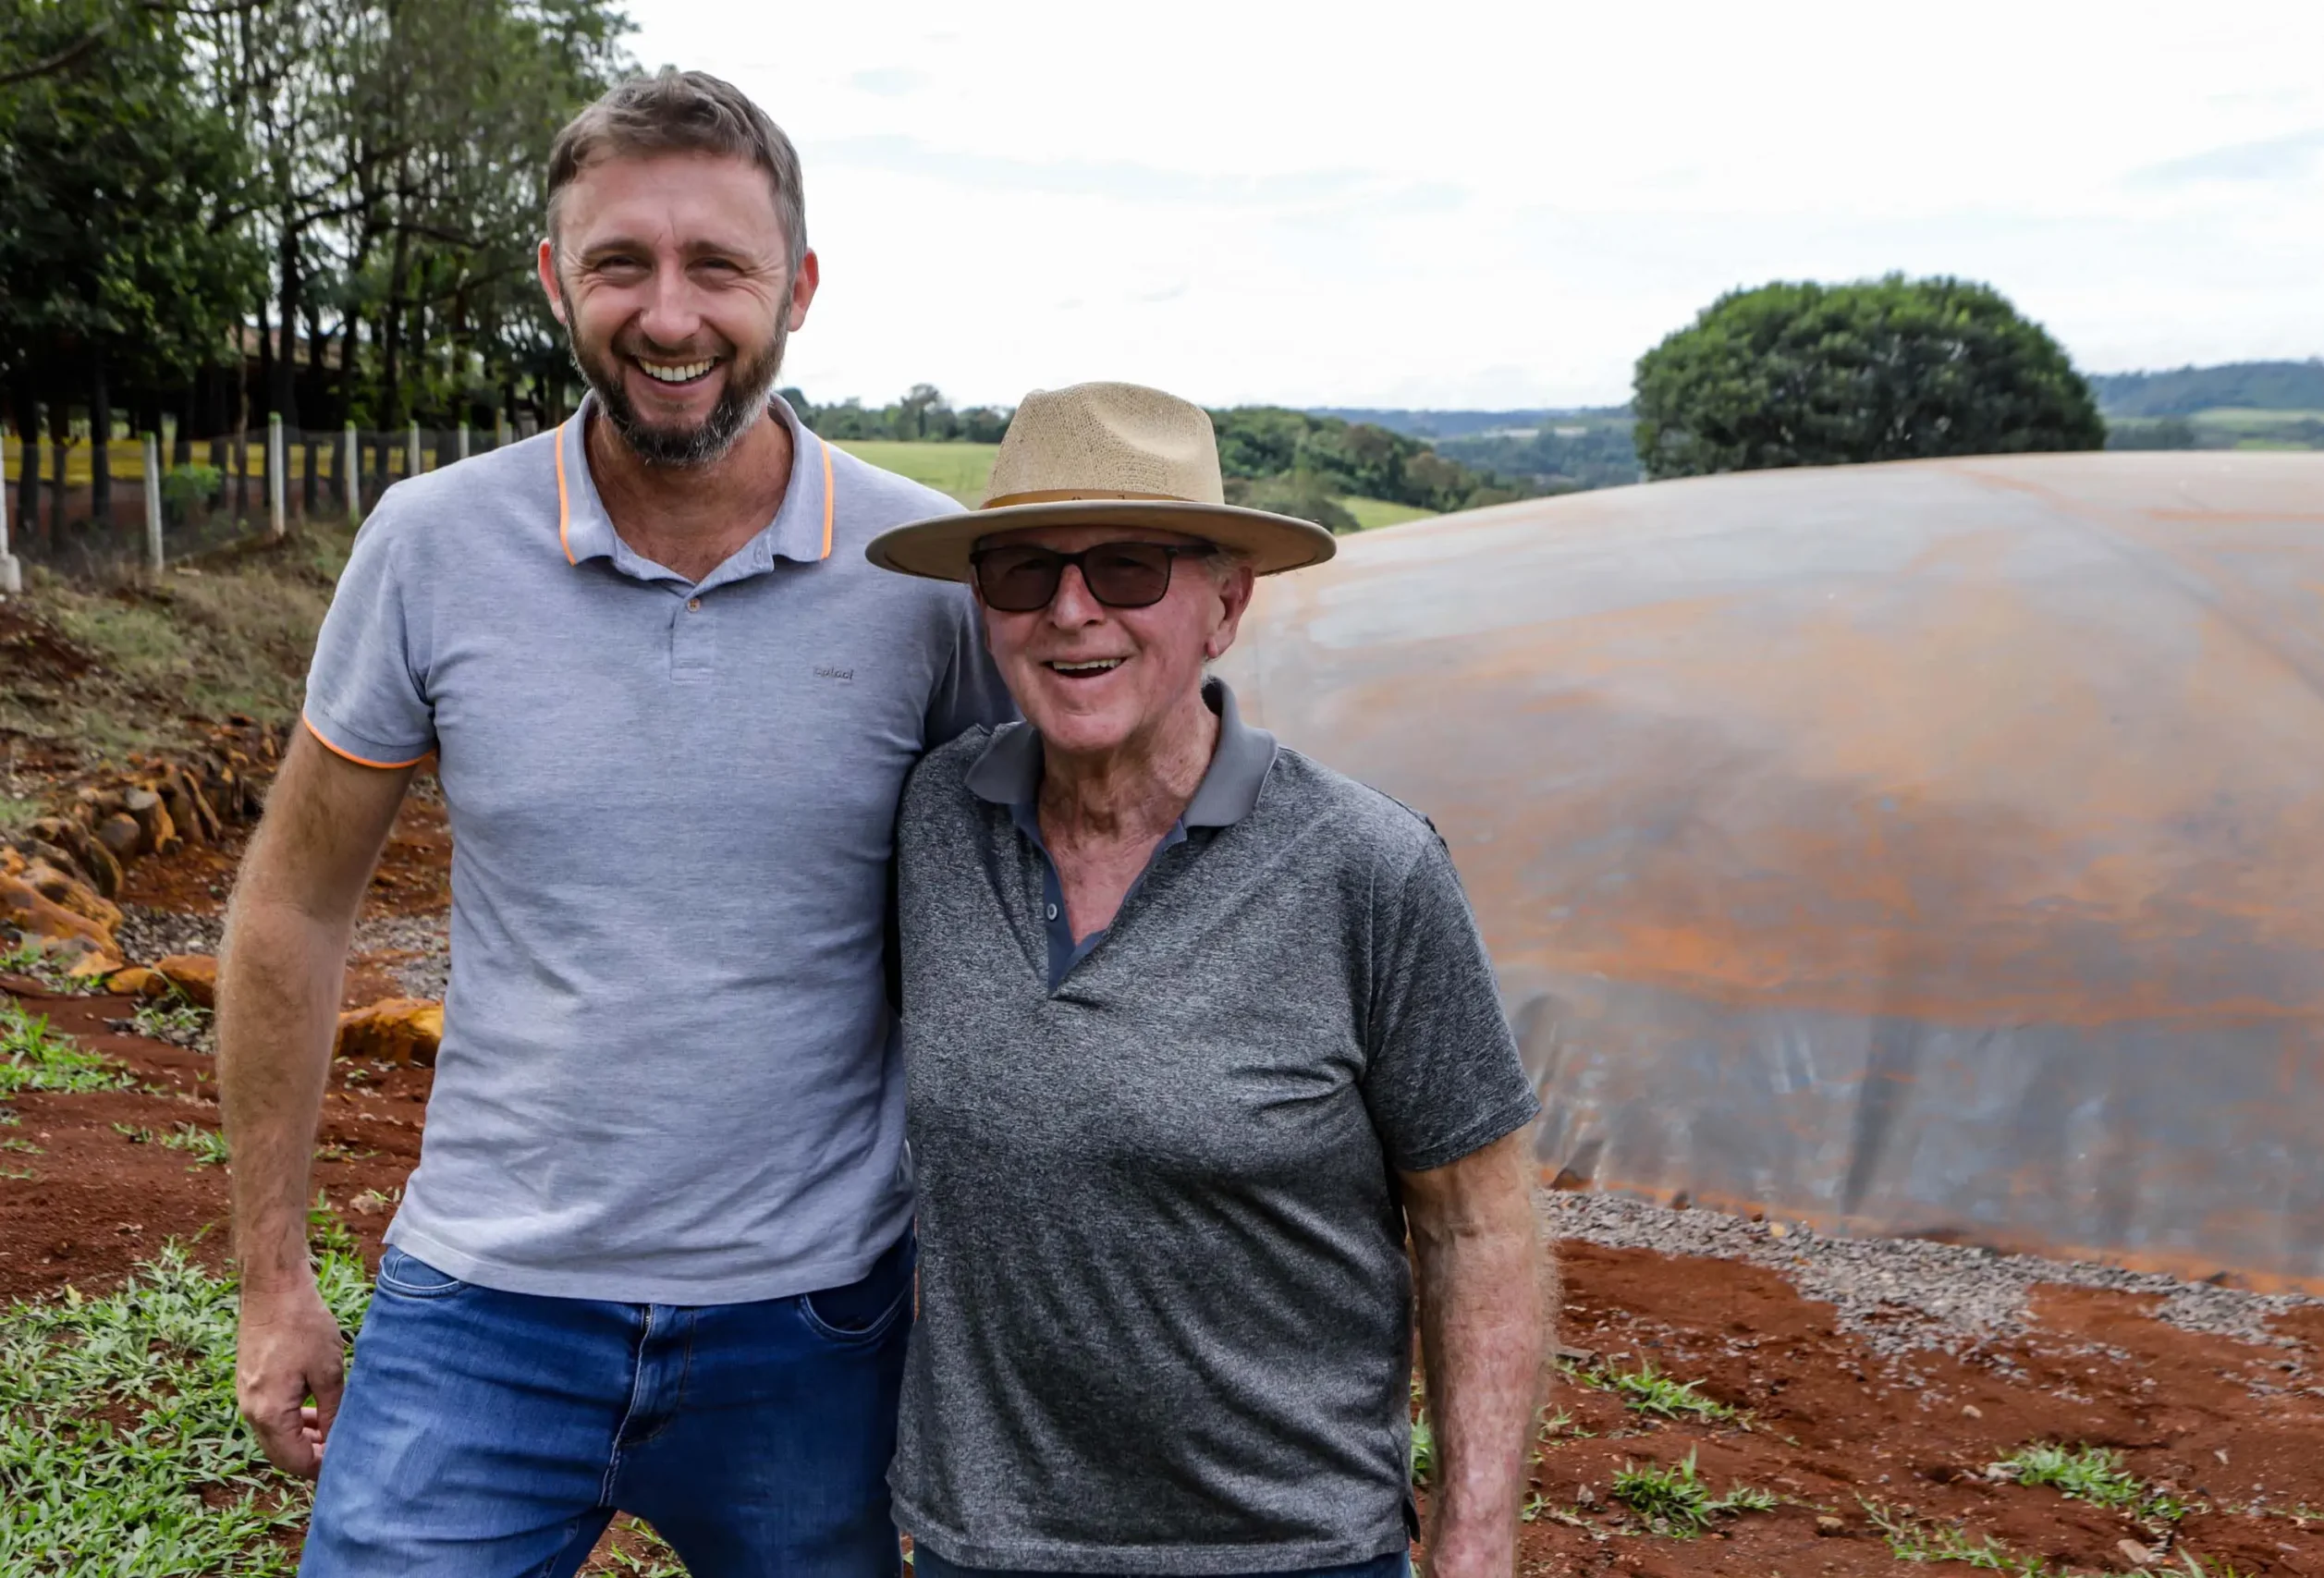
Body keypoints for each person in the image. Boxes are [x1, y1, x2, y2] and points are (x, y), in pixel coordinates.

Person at [217, 69, 1007, 1576]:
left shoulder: (927, 577)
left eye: (718, 264)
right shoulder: (433, 546)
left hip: (821, 1322)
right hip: (486, 1303)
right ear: (553, 279)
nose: (669, 315)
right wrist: (272, 1277)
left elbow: (1030, 916)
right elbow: (294, 903)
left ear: (802, 287)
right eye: (619, 264)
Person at [868, 382, 1547, 1578]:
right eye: (1023, 572)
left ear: (1225, 605)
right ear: (985, 608)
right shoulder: (934, 820)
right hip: (988, 1546)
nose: (1071, 611)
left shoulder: (1366, 868)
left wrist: (1475, 1533)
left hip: (1288, 1549)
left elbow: (1477, 1218)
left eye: (1127, 567)